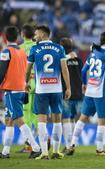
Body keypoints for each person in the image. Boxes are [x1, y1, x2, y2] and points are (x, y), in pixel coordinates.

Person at [25, 25, 71, 160]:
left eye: (36, 33)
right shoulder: (59, 48)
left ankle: (44, 152)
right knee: (57, 121)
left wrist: (26, 82)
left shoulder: (35, 48)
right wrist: (68, 87)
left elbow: (28, 70)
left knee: (42, 121)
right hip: (56, 89)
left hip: (42, 90)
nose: (34, 36)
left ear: (42, 34)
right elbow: (64, 69)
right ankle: (56, 151)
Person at [67, 31, 105, 156]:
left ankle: (72, 144)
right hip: (101, 92)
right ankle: (99, 149)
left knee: (82, 118)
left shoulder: (93, 54)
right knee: (102, 120)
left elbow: (83, 71)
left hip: (90, 90)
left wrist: (84, 84)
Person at [0, 26, 41, 159]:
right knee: (9, 120)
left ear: (5, 37)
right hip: (21, 88)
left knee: (18, 119)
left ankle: (35, 147)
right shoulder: (22, 51)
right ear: (17, 37)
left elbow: (1, 71)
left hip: (12, 89)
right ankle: (5, 152)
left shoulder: (7, 51)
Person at [60, 37, 83, 152]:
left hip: (66, 92)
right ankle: (72, 143)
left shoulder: (63, 60)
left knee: (65, 119)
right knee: (72, 118)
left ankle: (68, 145)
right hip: (78, 93)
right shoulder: (79, 60)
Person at [19, 24, 38, 153]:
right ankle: (39, 142)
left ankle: (29, 144)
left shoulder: (19, 49)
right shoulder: (38, 48)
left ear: (22, 34)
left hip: (23, 85)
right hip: (38, 85)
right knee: (36, 115)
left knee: (25, 115)